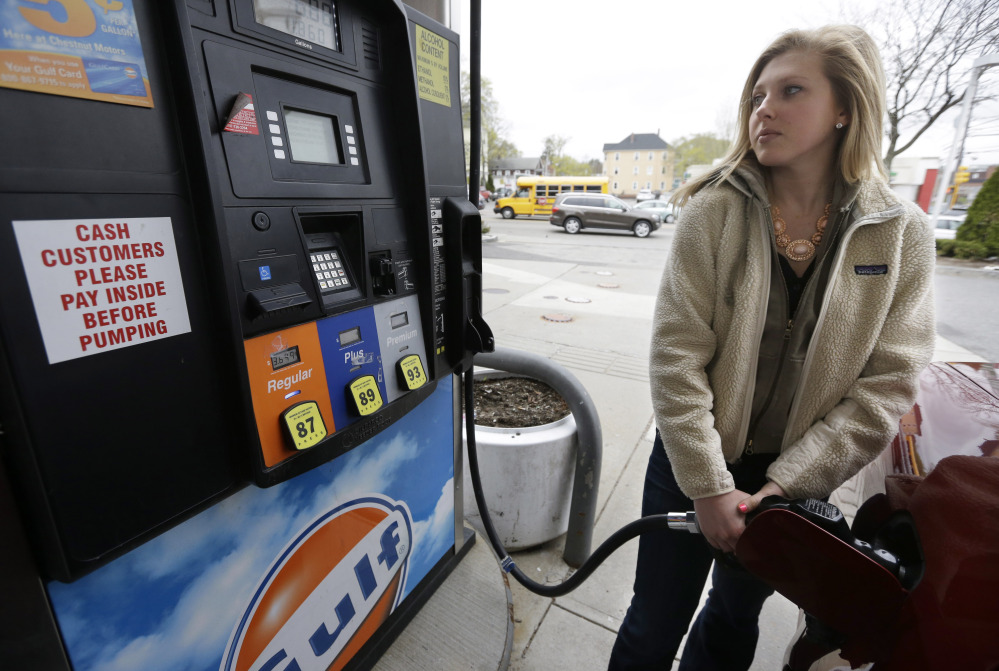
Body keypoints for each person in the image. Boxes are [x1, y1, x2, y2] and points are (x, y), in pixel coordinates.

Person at [608, 25, 936, 670]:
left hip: (782, 487)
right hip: (690, 463)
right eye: (758, 94)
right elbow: (676, 356)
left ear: (846, 107)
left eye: (791, 90)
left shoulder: (902, 236)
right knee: (653, 622)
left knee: (733, 618)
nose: (765, 109)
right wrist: (704, 486)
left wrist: (788, 484)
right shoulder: (713, 210)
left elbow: (890, 381)